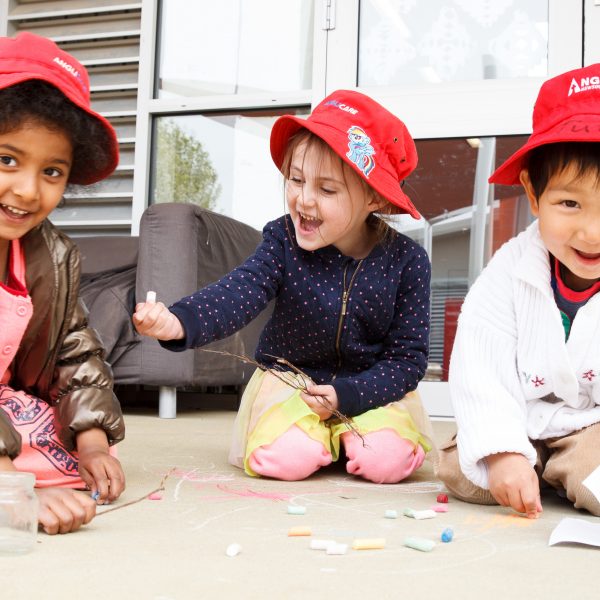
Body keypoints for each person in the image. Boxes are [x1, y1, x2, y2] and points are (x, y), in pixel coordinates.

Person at [134, 90, 434, 483]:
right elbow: (238, 292)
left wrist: (349, 395)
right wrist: (179, 322)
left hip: (368, 384)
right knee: (286, 460)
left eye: (327, 190)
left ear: (374, 198)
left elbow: (406, 360)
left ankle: (345, 437)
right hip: (290, 381)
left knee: (386, 463)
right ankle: (317, 440)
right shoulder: (282, 240)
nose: (303, 200)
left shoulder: (408, 263)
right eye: (295, 180)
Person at [437, 64, 600, 518]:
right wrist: (502, 451)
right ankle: (529, 464)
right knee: (463, 472)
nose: (591, 233)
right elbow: (481, 363)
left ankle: (562, 469)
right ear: (533, 194)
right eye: (570, 203)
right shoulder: (510, 268)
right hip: (521, 418)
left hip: (593, 427)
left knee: (597, 477)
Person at [0, 32, 126, 534]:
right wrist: (7, 482)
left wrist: (93, 439)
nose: (28, 191)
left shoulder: (50, 253)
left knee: (61, 453)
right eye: (7, 159)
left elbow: (75, 353)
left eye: (51, 171)